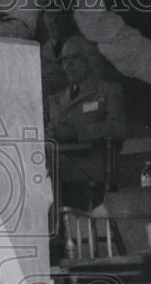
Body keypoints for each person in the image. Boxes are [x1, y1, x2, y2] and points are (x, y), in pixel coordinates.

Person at [45, 36, 128, 210]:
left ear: (89, 59)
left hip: (90, 169)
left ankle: (55, 230)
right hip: (58, 165)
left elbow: (118, 128)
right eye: (64, 60)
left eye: (74, 58)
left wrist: (76, 132)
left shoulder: (108, 91)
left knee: (42, 178)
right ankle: (51, 232)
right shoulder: (56, 100)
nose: (68, 65)